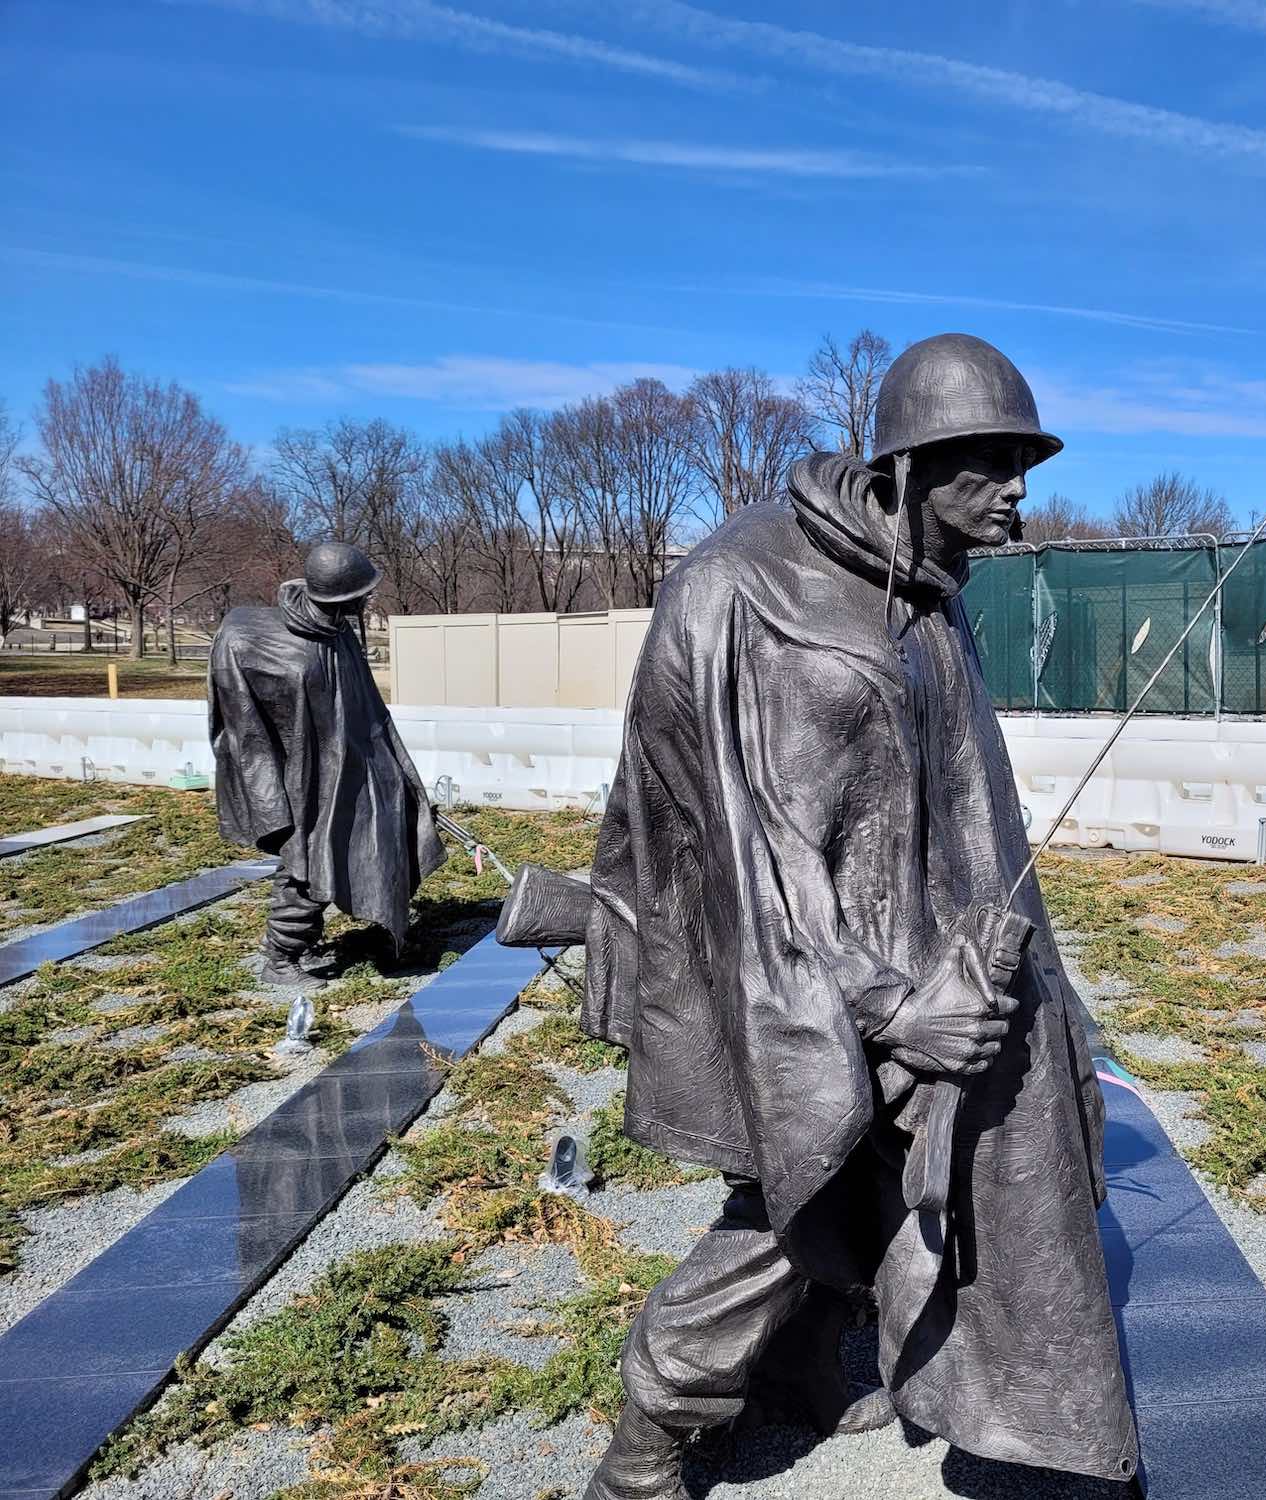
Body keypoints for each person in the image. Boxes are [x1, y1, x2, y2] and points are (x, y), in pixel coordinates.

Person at [579, 334, 1140, 1499]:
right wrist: (889, 1012)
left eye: (1020, 461)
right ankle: (648, 1438)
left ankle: (793, 1378)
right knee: (803, 1180)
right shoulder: (766, 598)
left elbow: (941, 805)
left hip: (919, 960)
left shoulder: (921, 589)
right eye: (987, 465)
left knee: (872, 1172)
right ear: (906, 466)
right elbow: (758, 860)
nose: (1017, 489)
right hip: (804, 973)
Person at [208, 542, 444, 987]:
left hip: (358, 763)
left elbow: (364, 708)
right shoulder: (261, 641)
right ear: (343, 596)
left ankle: (386, 928)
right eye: (362, 593)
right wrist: (269, 787)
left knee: (391, 834)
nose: (367, 599)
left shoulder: (339, 634)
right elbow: (247, 722)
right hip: (304, 776)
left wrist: (395, 770)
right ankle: (281, 956)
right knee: (309, 859)